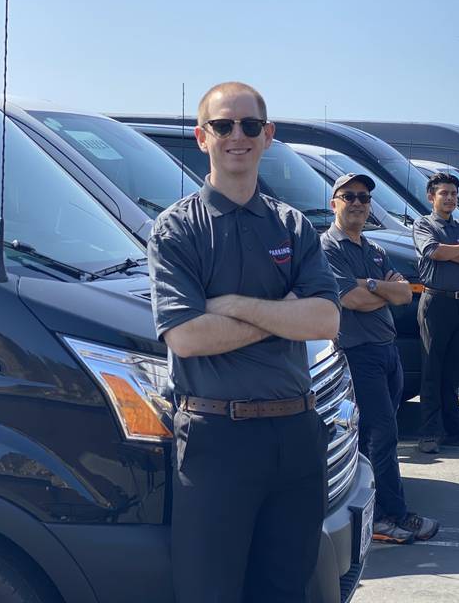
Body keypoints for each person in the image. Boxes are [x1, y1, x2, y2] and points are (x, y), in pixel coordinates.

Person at [147, 82, 341, 603]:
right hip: (216, 439)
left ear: (268, 135)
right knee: (209, 593)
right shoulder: (176, 230)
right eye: (223, 125)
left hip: (297, 436)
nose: (238, 136)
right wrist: (284, 313)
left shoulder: (293, 225)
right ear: (201, 136)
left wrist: (231, 305)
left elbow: (325, 320)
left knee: (286, 591)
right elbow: (187, 336)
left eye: (250, 125)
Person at [320, 173, 440, 544]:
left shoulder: (373, 249)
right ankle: (390, 516)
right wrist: (380, 290)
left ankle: (375, 511)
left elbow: (406, 294)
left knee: (381, 436)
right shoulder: (327, 248)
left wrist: (370, 285)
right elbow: (349, 300)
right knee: (381, 435)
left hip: (388, 352)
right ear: (334, 203)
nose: (358, 203)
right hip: (358, 354)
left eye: (364, 198)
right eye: (349, 196)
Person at [412, 172, 459, 454]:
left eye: (454, 194)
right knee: (433, 370)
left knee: (453, 371)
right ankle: (429, 433)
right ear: (431, 197)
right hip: (436, 303)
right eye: (444, 193)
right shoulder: (423, 224)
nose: (450, 198)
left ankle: (454, 431)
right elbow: (433, 252)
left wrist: (456, 250)